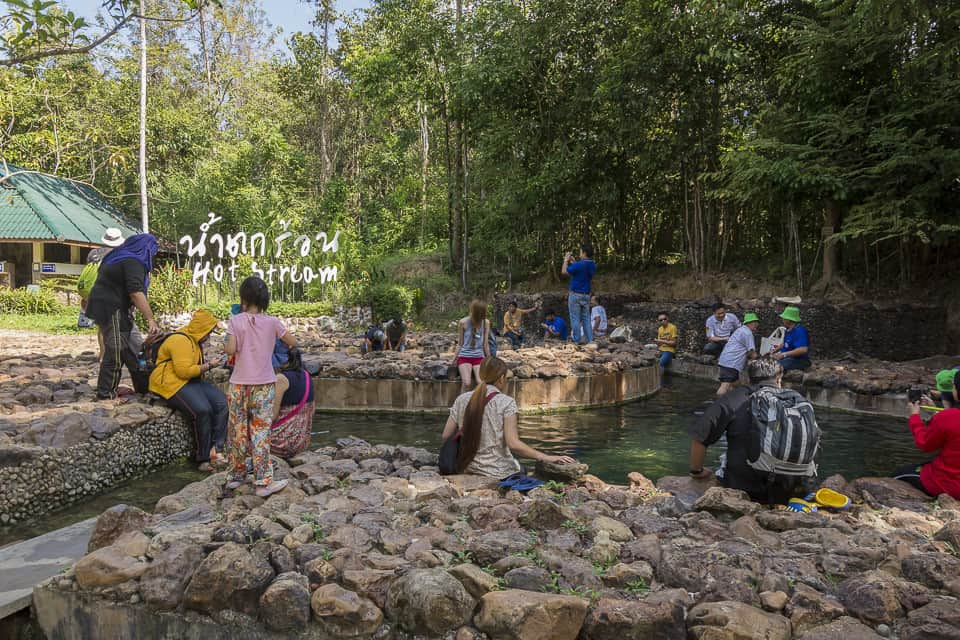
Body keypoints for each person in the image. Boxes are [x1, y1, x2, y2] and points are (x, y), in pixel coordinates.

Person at [689, 358, 818, 504]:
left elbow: (700, 437)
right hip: (791, 491)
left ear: (748, 378)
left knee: (725, 459)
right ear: (779, 379)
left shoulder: (734, 398)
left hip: (746, 490)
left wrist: (697, 471)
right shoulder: (796, 401)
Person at [441, 356, 577, 477]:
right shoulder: (506, 403)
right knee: (523, 470)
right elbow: (514, 444)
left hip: (467, 467)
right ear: (501, 378)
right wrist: (546, 457)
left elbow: (446, 436)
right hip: (497, 470)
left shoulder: (462, 399)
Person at [224, 276, 295, 497]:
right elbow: (292, 341)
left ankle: (236, 476)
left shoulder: (235, 321)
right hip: (264, 384)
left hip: (238, 384)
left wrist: (231, 339)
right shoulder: (273, 322)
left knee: (237, 431)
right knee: (261, 432)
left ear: (243, 298)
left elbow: (230, 349)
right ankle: (263, 483)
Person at [148, 310, 228, 472]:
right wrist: (209, 365)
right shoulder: (181, 340)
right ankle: (202, 458)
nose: (209, 336)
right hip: (170, 382)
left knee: (222, 402)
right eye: (209, 332)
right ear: (202, 330)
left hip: (190, 381)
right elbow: (183, 372)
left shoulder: (194, 340)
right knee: (202, 410)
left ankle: (216, 449)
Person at [85, 233, 160, 400]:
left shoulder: (117, 256)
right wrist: (150, 319)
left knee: (136, 348)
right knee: (116, 350)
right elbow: (136, 292)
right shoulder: (133, 261)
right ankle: (106, 393)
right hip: (112, 308)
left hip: (111, 307)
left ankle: (144, 388)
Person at [894, 371, 960, 499]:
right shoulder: (947, 416)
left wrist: (914, 416)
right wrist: (934, 414)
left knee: (900, 474)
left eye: (954, 386)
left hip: (948, 484)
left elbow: (925, 444)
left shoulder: (948, 417)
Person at [270, 346, 315, 459]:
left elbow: (273, 415)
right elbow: (312, 410)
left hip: (280, 444)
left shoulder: (281, 379)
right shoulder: (307, 376)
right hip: (301, 444)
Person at [716, 312, 760, 396]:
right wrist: (762, 358)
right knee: (725, 386)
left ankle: (732, 399)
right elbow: (752, 353)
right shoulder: (747, 333)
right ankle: (718, 402)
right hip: (731, 363)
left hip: (726, 361)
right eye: (755, 323)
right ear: (749, 323)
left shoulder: (740, 330)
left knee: (735, 384)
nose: (757, 325)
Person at [562, 243, 596, 344]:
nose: (579, 254)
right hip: (586, 295)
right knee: (586, 319)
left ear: (584, 253)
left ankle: (576, 340)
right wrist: (574, 262)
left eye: (580, 252)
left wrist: (566, 260)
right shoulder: (592, 264)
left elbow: (564, 271)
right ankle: (590, 340)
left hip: (575, 295)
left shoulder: (579, 265)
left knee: (575, 318)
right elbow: (580, 271)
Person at [453, 300, 491, 392]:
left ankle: (479, 400)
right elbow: (460, 344)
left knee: (480, 382)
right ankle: (461, 401)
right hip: (464, 356)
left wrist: (489, 359)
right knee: (467, 383)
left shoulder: (486, 322)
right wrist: (453, 359)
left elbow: (485, 344)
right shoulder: (463, 322)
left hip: (479, 357)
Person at [772, 306, 811, 371]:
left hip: (798, 360)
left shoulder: (799, 331)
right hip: (787, 358)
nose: (783, 320)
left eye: (784, 318)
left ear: (788, 320)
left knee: (776, 366)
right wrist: (774, 351)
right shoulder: (788, 330)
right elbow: (784, 344)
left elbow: (803, 349)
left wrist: (783, 355)